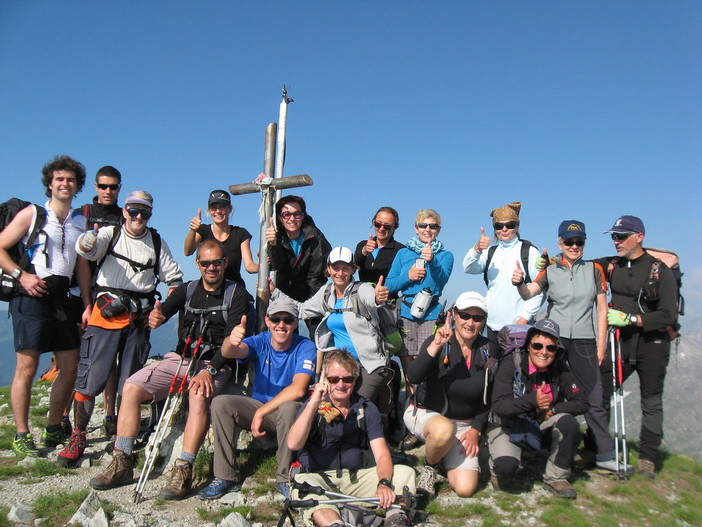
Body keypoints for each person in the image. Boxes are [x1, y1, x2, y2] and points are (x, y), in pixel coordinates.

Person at [88, 240, 250, 498]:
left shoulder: (237, 294)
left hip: (214, 362)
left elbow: (231, 343)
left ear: (225, 263)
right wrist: (155, 317)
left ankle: (183, 468)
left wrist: (210, 371)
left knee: (198, 395)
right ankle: (123, 460)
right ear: (198, 264)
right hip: (181, 357)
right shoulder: (187, 290)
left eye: (217, 263)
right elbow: (161, 314)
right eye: (206, 263)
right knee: (131, 387)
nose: (211, 268)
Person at [58, 190, 183, 467]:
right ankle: (78, 436)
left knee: (131, 383)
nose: (138, 217)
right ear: (124, 211)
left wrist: (161, 311)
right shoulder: (109, 234)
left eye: (144, 213)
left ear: (150, 215)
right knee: (90, 378)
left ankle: (122, 441)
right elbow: (86, 248)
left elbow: (174, 279)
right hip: (105, 316)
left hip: (138, 321)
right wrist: (86, 239)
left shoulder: (157, 243)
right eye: (133, 211)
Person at [0, 155, 92, 456]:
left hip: (64, 298)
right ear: (50, 183)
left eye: (70, 180)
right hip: (31, 296)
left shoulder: (80, 222)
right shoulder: (32, 214)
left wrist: (88, 303)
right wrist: (21, 275)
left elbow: (82, 267)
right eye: (59, 179)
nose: (65, 184)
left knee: (70, 365)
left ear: (77, 186)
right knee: (26, 367)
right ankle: (22, 432)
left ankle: (54, 426)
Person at [198, 297, 316, 500]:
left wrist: (262, 411)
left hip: (288, 410)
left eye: (287, 320)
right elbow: (231, 351)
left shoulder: (305, 346)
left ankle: (285, 477)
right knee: (220, 403)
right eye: (276, 319)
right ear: (267, 320)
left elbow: (298, 389)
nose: (281, 325)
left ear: (296, 323)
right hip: (259, 406)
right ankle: (225, 476)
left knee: (289, 408)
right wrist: (230, 341)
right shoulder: (260, 341)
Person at [288, 350, 416, 527]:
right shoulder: (311, 407)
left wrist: (384, 483)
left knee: (405, 473)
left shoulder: (366, 408)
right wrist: (314, 402)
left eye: (347, 379)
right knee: (302, 484)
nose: (341, 385)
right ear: (326, 380)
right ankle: (335, 523)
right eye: (334, 379)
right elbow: (293, 443)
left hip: (357, 478)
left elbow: (382, 455)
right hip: (318, 478)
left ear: (355, 380)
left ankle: (396, 517)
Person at [594, 215, 677, 480]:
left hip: (653, 343)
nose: (615, 241)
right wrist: (548, 263)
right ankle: (598, 447)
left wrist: (632, 319)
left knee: (651, 401)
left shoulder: (659, 270)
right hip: (621, 342)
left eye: (621, 236)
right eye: (613, 236)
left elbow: (668, 315)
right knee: (602, 391)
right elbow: (580, 265)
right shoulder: (612, 265)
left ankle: (647, 459)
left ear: (639, 237)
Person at [270, 246, 392, 405]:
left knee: (357, 408)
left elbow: (372, 300)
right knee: (332, 409)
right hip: (342, 367)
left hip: (370, 364)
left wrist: (378, 298)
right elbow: (300, 310)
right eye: (335, 268)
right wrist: (275, 292)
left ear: (353, 269)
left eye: (345, 268)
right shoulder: (326, 293)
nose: (340, 273)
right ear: (328, 269)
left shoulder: (362, 289)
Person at [404, 292, 497, 498]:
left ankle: (443, 453)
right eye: (464, 315)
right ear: (453, 315)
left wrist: (475, 429)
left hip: (463, 425)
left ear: (483, 322)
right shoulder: (437, 341)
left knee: (465, 489)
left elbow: (488, 394)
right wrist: (436, 345)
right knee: (443, 430)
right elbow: (413, 376)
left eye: (477, 318)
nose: (470, 323)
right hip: (427, 415)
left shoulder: (488, 349)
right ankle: (430, 468)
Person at [488, 319, 588, 499]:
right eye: (538, 345)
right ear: (528, 345)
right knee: (506, 468)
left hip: (538, 424)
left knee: (568, 423)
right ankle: (500, 460)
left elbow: (581, 401)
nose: (544, 352)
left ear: (556, 350)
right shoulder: (512, 363)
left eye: (550, 348)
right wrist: (532, 400)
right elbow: (500, 405)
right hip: (507, 425)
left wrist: (554, 411)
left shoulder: (558, 367)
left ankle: (556, 477)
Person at [385, 209, 453, 449]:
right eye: (423, 226)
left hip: (431, 316)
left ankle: (426, 424)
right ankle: (411, 427)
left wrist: (432, 261)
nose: (428, 230)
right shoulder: (403, 253)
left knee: (426, 373)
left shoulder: (446, 255)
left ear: (438, 230)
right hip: (406, 315)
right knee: (410, 375)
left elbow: (442, 280)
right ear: (415, 228)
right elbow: (391, 284)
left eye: (433, 226)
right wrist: (409, 274)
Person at [73, 165, 125, 437]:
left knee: (110, 360)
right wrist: (86, 302)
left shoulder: (123, 215)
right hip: (86, 295)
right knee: (83, 360)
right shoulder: (83, 214)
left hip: (112, 297)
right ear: (95, 187)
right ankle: (71, 425)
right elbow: (82, 262)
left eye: (113, 186)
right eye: (103, 186)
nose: (108, 191)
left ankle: (110, 414)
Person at [462, 201, 543, 344]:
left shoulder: (529, 252)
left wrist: (523, 320)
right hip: (492, 327)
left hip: (520, 328)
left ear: (517, 226)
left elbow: (540, 290)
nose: (504, 229)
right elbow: (468, 268)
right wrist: (477, 249)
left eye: (510, 225)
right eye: (499, 226)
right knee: (493, 366)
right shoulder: (490, 252)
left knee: (517, 366)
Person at [266, 195, 331, 334]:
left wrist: (310, 304)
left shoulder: (315, 237)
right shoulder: (277, 238)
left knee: (319, 336)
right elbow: (279, 267)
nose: (292, 219)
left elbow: (317, 272)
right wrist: (273, 245)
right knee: (284, 336)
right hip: (285, 291)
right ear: (280, 217)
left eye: (297, 214)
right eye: (287, 214)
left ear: (303, 215)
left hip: (311, 292)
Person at [184, 189, 258, 286]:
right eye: (214, 208)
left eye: (222, 207)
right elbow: (187, 251)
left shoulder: (241, 233)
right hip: (210, 289)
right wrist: (193, 230)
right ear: (209, 211)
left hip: (235, 289)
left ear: (230, 209)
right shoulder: (203, 230)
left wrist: (264, 265)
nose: (218, 211)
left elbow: (249, 266)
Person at [354, 206, 405, 291]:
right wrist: (364, 251)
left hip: (387, 300)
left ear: (395, 227)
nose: (381, 229)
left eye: (387, 226)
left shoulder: (401, 250)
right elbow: (353, 266)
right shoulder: (363, 245)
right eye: (378, 224)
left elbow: (402, 279)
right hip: (363, 298)